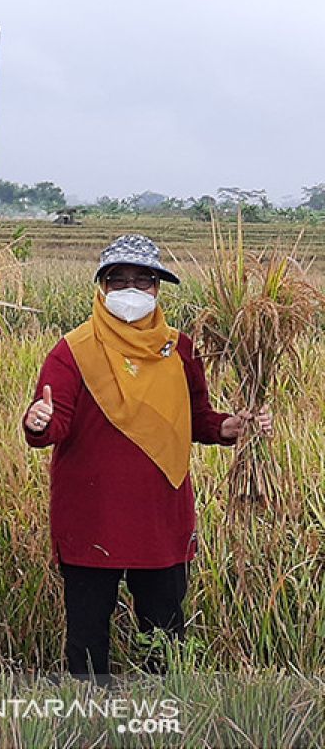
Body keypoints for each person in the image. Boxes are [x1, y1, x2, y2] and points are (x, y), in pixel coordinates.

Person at [22, 234, 273, 683]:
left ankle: (158, 719)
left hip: (160, 515)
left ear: (159, 287)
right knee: (86, 636)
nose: (131, 291)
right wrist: (37, 421)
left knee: (164, 635)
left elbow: (196, 419)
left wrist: (231, 427)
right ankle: (90, 721)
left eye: (143, 279)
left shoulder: (181, 350)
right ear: (102, 288)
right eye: (118, 281)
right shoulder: (72, 351)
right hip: (91, 518)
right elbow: (52, 424)